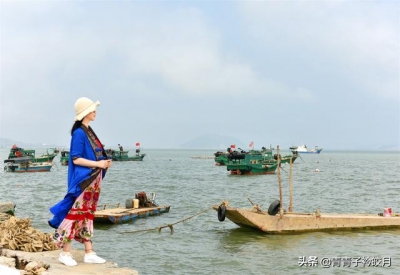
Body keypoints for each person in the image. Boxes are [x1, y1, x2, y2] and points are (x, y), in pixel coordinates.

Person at [48, 97, 112, 266]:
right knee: (74, 214)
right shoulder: (79, 133)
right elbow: (76, 159)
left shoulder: (88, 130)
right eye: (92, 109)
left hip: (93, 179)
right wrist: (98, 163)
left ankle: (89, 252)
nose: (95, 112)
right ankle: (65, 252)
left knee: (87, 214)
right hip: (84, 180)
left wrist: (103, 163)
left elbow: (95, 154)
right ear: (85, 113)